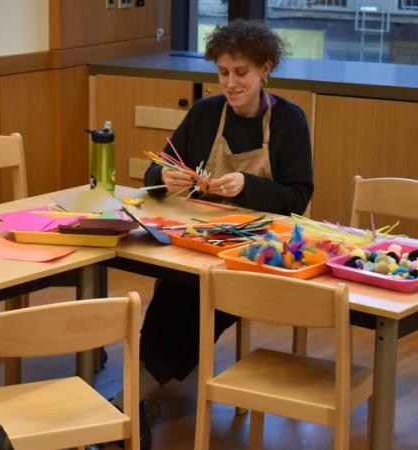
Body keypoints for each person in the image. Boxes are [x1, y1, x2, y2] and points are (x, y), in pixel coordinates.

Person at [112, 19, 314, 447]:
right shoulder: (205, 114)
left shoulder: (290, 121)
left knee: (210, 298)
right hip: (202, 239)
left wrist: (249, 187)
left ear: (266, 69)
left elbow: (298, 197)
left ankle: (133, 396)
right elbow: (155, 170)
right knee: (174, 290)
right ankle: (138, 393)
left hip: (260, 250)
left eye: (241, 73)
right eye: (223, 72)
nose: (231, 83)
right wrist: (164, 176)